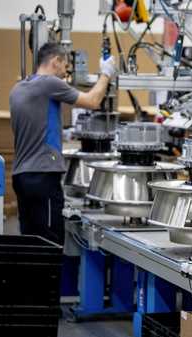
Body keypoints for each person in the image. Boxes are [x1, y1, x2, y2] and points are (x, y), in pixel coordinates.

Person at [9, 42, 117, 244]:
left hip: (21, 176)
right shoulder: (49, 83)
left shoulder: (17, 89)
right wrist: (106, 73)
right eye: (65, 66)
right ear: (55, 61)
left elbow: (35, 127)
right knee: (49, 243)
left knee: (30, 242)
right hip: (43, 177)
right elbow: (93, 101)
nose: (65, 74)